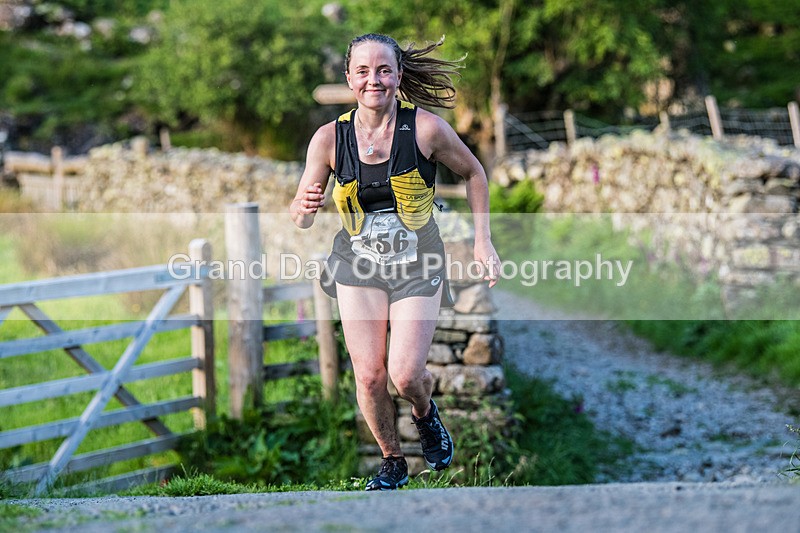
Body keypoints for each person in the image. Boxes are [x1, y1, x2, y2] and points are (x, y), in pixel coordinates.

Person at [290, 33, 499, 491]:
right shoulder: (328, 139)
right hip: (357, 264)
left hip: (417, 263)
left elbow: (474, 173)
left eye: (384, 69)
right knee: (368, 374)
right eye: (362, 71)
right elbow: (302, 216)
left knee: (405, 374)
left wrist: (483, 242)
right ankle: (392, 461)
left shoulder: (425, 130)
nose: (374, 80)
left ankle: (425, 414)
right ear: (349, 79)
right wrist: (303, 207)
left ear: (399, 75)